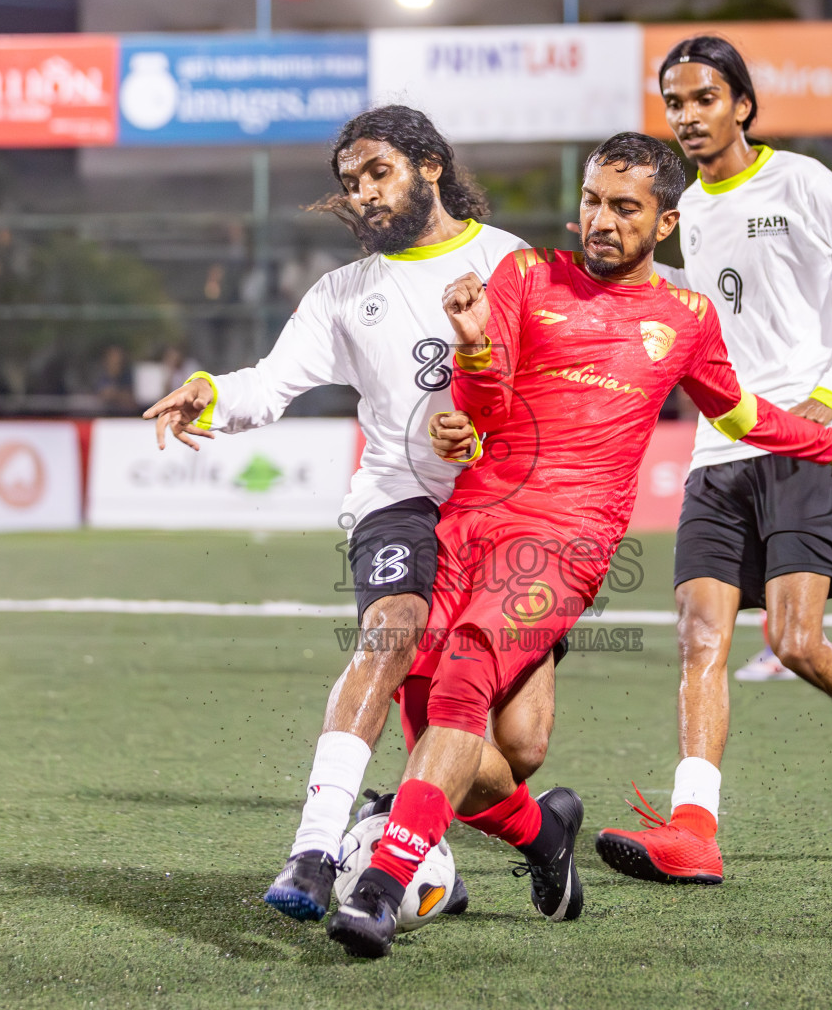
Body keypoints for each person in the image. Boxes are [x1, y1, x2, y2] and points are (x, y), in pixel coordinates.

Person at [327, 131, 832, 959]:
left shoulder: (686, 317)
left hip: (564, 546)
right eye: (592, 200)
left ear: (663, 223)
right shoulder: (525, 276)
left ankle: (382, 884)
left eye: (624, 208)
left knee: (459, 690)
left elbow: (741, 418)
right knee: (475, 739)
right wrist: (475, 344)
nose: (600, 219)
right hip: (472, 522)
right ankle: (542, 835)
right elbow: (484, 409)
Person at [142, 105, 560, 924]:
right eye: (350, 183)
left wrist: (492, 427)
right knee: (390, 632)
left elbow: (553, 387)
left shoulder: (514, 264)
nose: (364, 194)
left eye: (379, 173)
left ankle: (540, 833)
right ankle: (316, 846)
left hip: (507, 515)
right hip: (398, 500)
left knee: (514, 752)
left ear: (430, 166)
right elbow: (271, 383)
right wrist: (214, 393)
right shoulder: (344, 293)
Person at [592, 36, 832, 885]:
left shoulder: (801, 181)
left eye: (703, 99)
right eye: (673, 103)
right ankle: (695, 827)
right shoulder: (680, 212)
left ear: (742, 102)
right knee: (701, 635)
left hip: (808, 436)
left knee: (797, 641)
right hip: (720, 440)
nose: (687, 117)